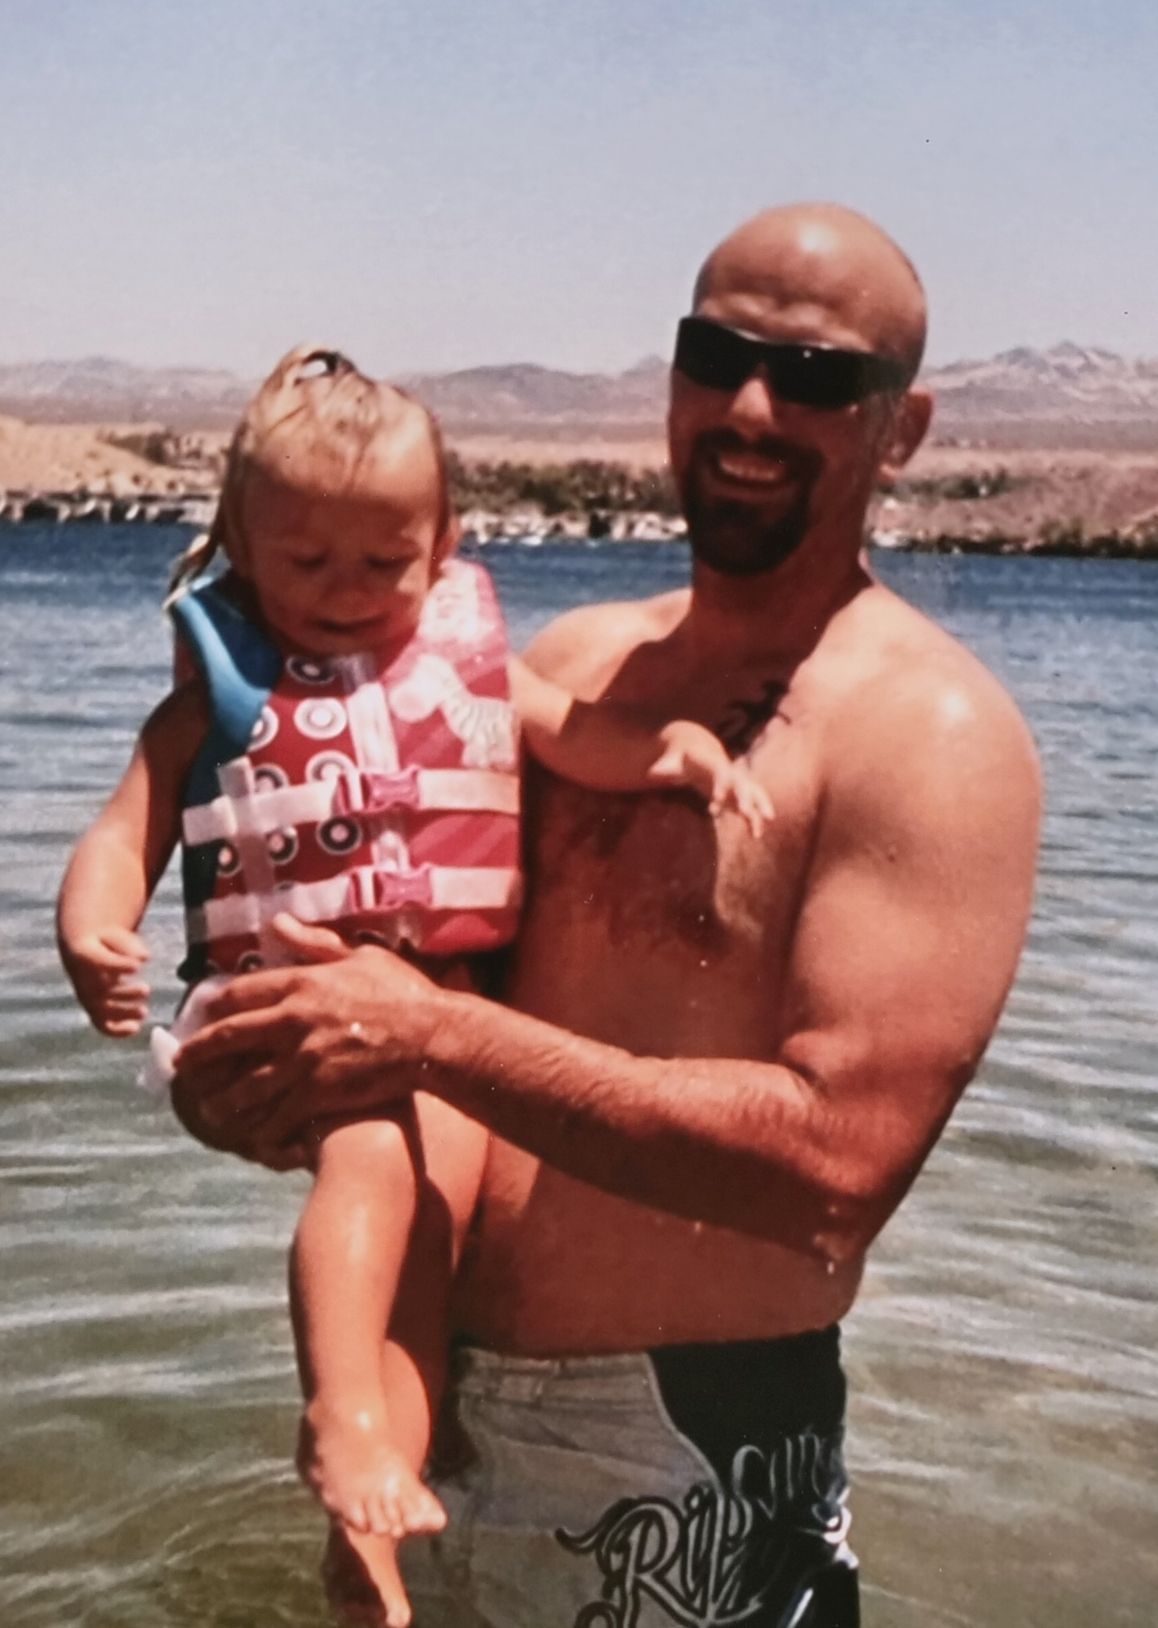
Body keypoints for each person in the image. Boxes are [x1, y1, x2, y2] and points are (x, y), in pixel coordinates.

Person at [171, 204, 1041, 1628]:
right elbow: (426, 1007)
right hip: (432, 1410)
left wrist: (429, 1035)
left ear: (903, 428)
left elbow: (835, 1166)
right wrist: (266, 1078)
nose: (749, 409)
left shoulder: (928, 731)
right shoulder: (570, 672)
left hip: (684, 1439)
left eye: (814, 377)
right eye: (716, 356)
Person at [55, 344, 771, 1627]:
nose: (345, 591)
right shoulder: (211, 705)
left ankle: (373, 1536)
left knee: (430, 1250)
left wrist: (672, 750)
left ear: (442, 545)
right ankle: (339, 1412)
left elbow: (578, 738)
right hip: (282, 1004)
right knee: (377, 1166)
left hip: (424, 1022)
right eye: (306, 560)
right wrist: (92, 935)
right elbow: (125, 833)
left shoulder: (472, 671)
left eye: (384, 561)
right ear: (240, 545)